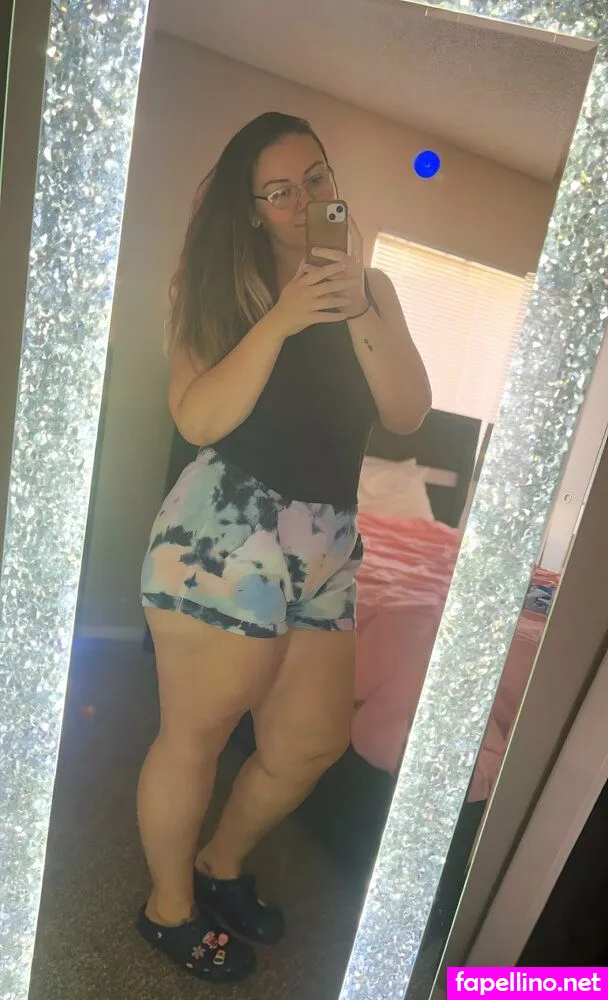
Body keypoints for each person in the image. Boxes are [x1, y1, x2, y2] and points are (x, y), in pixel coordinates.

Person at [136, 111, 431, 983]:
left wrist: (357, 300)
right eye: (280, 191)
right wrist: (283, 317)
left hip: (330, 540)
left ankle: (219, 863)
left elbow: (408, 414)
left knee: (310, 741)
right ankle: (167, 909)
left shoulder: (371, 289)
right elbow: (197, 418)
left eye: (316, 179)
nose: (303, 201)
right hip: (227, 527)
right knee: (195, 735)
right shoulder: (215, 286)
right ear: (253, 208)